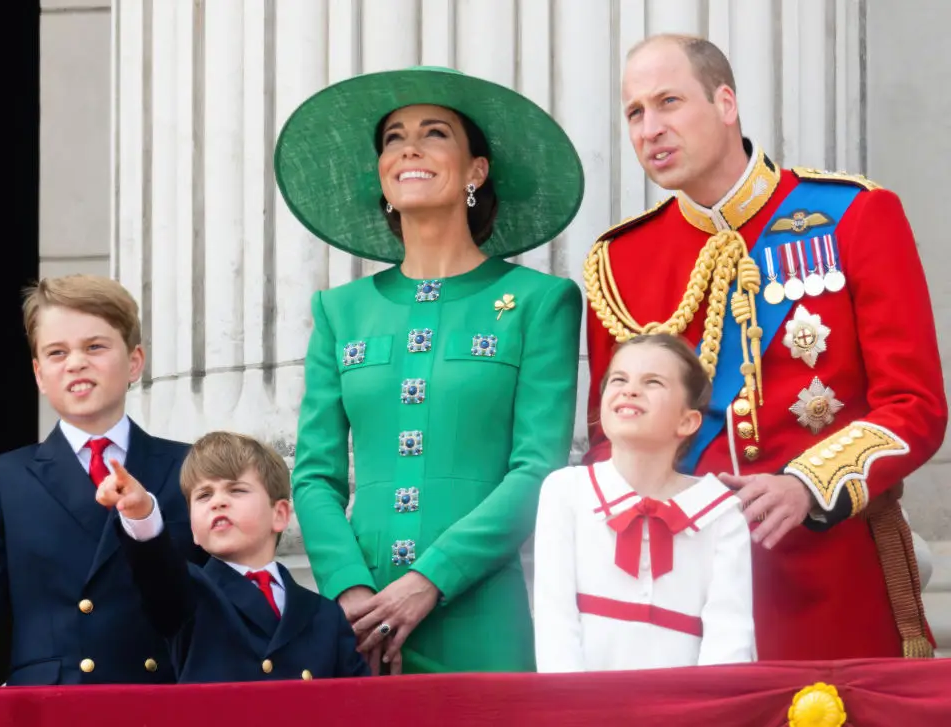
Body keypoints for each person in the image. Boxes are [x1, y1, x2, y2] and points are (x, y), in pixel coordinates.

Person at [582, 34, 947, 660]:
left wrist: (808, 485)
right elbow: (607, 436)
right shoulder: (619, 261)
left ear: (726, 103)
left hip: (828, 571)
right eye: (635, 112)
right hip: (679, 588)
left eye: (669, 101)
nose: (651, 129)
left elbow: (914, 405)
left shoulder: (853, 215)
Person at [274, 66, 585, 674]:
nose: (409, 148)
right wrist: (350, 591)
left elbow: (537, 471)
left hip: (481, 614)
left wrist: (431, 579)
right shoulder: (339, 311)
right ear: (383, 177)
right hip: (360, 627)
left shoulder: (539, 301)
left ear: (476, 170)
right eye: (393, 137)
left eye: (435, 133)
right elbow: (314, 477)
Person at [0, 275, 196, 687]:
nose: (75, 363)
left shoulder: (189, 468)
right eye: (57, 353)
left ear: (134, 361)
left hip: (156, 700)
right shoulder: (3, 480)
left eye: (95, 346)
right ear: (38, 373)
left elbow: (213, 608)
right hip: (48, 707)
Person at [534, 334, 754, 672]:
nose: (629, 390)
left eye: (652, 382)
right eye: (619, 379)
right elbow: (554, 622)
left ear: (688, 421)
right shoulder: (565, 491)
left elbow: (729, 638)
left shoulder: (720, 513)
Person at [96, 431, 368, 683]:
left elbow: (357, 703)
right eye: (203, 496)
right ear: (193, 529)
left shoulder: (326, 615)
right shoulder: (189, 593)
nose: (218, 502)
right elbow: (157, 568)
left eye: (236, 490)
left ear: (280, 514)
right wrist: (142, 512)